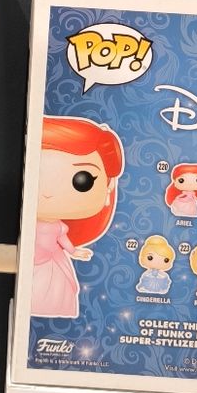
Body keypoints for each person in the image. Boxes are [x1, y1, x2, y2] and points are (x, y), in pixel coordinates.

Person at [32, 115, 124, 319]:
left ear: (108, 187)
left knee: (52, 294)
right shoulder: (26, 224)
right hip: (31, 263)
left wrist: (74, 251)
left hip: (50, 265)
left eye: (82, 181)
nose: (48, 192)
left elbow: (63, 240)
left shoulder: (58, 227)